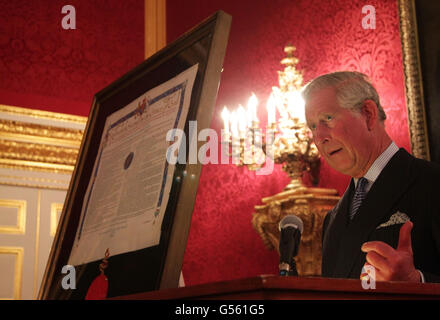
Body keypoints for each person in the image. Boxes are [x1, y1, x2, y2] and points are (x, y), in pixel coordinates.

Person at [302, 71, 440, 283]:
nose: (319, 138)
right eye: (312, 127)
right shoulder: (332, 218)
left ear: (368, 113)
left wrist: (417, 281)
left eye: (327, 119)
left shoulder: (432, 182)